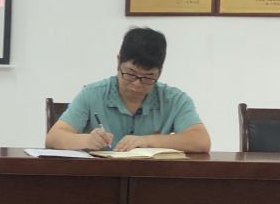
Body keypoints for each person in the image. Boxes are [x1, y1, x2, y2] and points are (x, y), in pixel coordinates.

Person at [45, 27, 210, 152]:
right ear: (118, 62)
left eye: (148, 77)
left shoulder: (174, 99)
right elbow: (53, 138)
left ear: (160, 72)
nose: (137, 84)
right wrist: (86, 140)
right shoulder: (92, 94)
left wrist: (147, 141)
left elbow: (201, 141)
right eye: (131, 74)